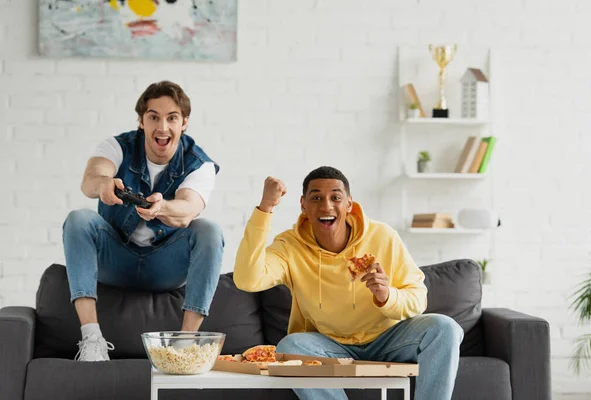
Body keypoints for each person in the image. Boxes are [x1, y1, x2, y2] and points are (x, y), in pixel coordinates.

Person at [233, 166, 463, 400]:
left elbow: (417, 298)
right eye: (316, 198)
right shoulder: (289, 246)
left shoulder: (383, 236)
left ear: (349, 204)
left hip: (389, 338)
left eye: (335, 197)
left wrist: (387, 296)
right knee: (290, 347)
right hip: (329, 345)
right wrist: (266, 208)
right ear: (303, 204)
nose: (326, 206)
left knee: (445, 328)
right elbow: (246, 280)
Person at [63, 81, 224, 362]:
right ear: (141, 121)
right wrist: (103, 184)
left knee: (209, 230)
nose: (162, 127)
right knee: (78, 219)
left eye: (172, 117)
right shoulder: (118, 146)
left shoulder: (200, 163)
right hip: (115, 260)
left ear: (184, 122)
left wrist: (163, 207)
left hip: (165, 267)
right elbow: (91, 179)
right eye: (153, 117)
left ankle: (185, 346)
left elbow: (188, 208)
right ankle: (92, 339)